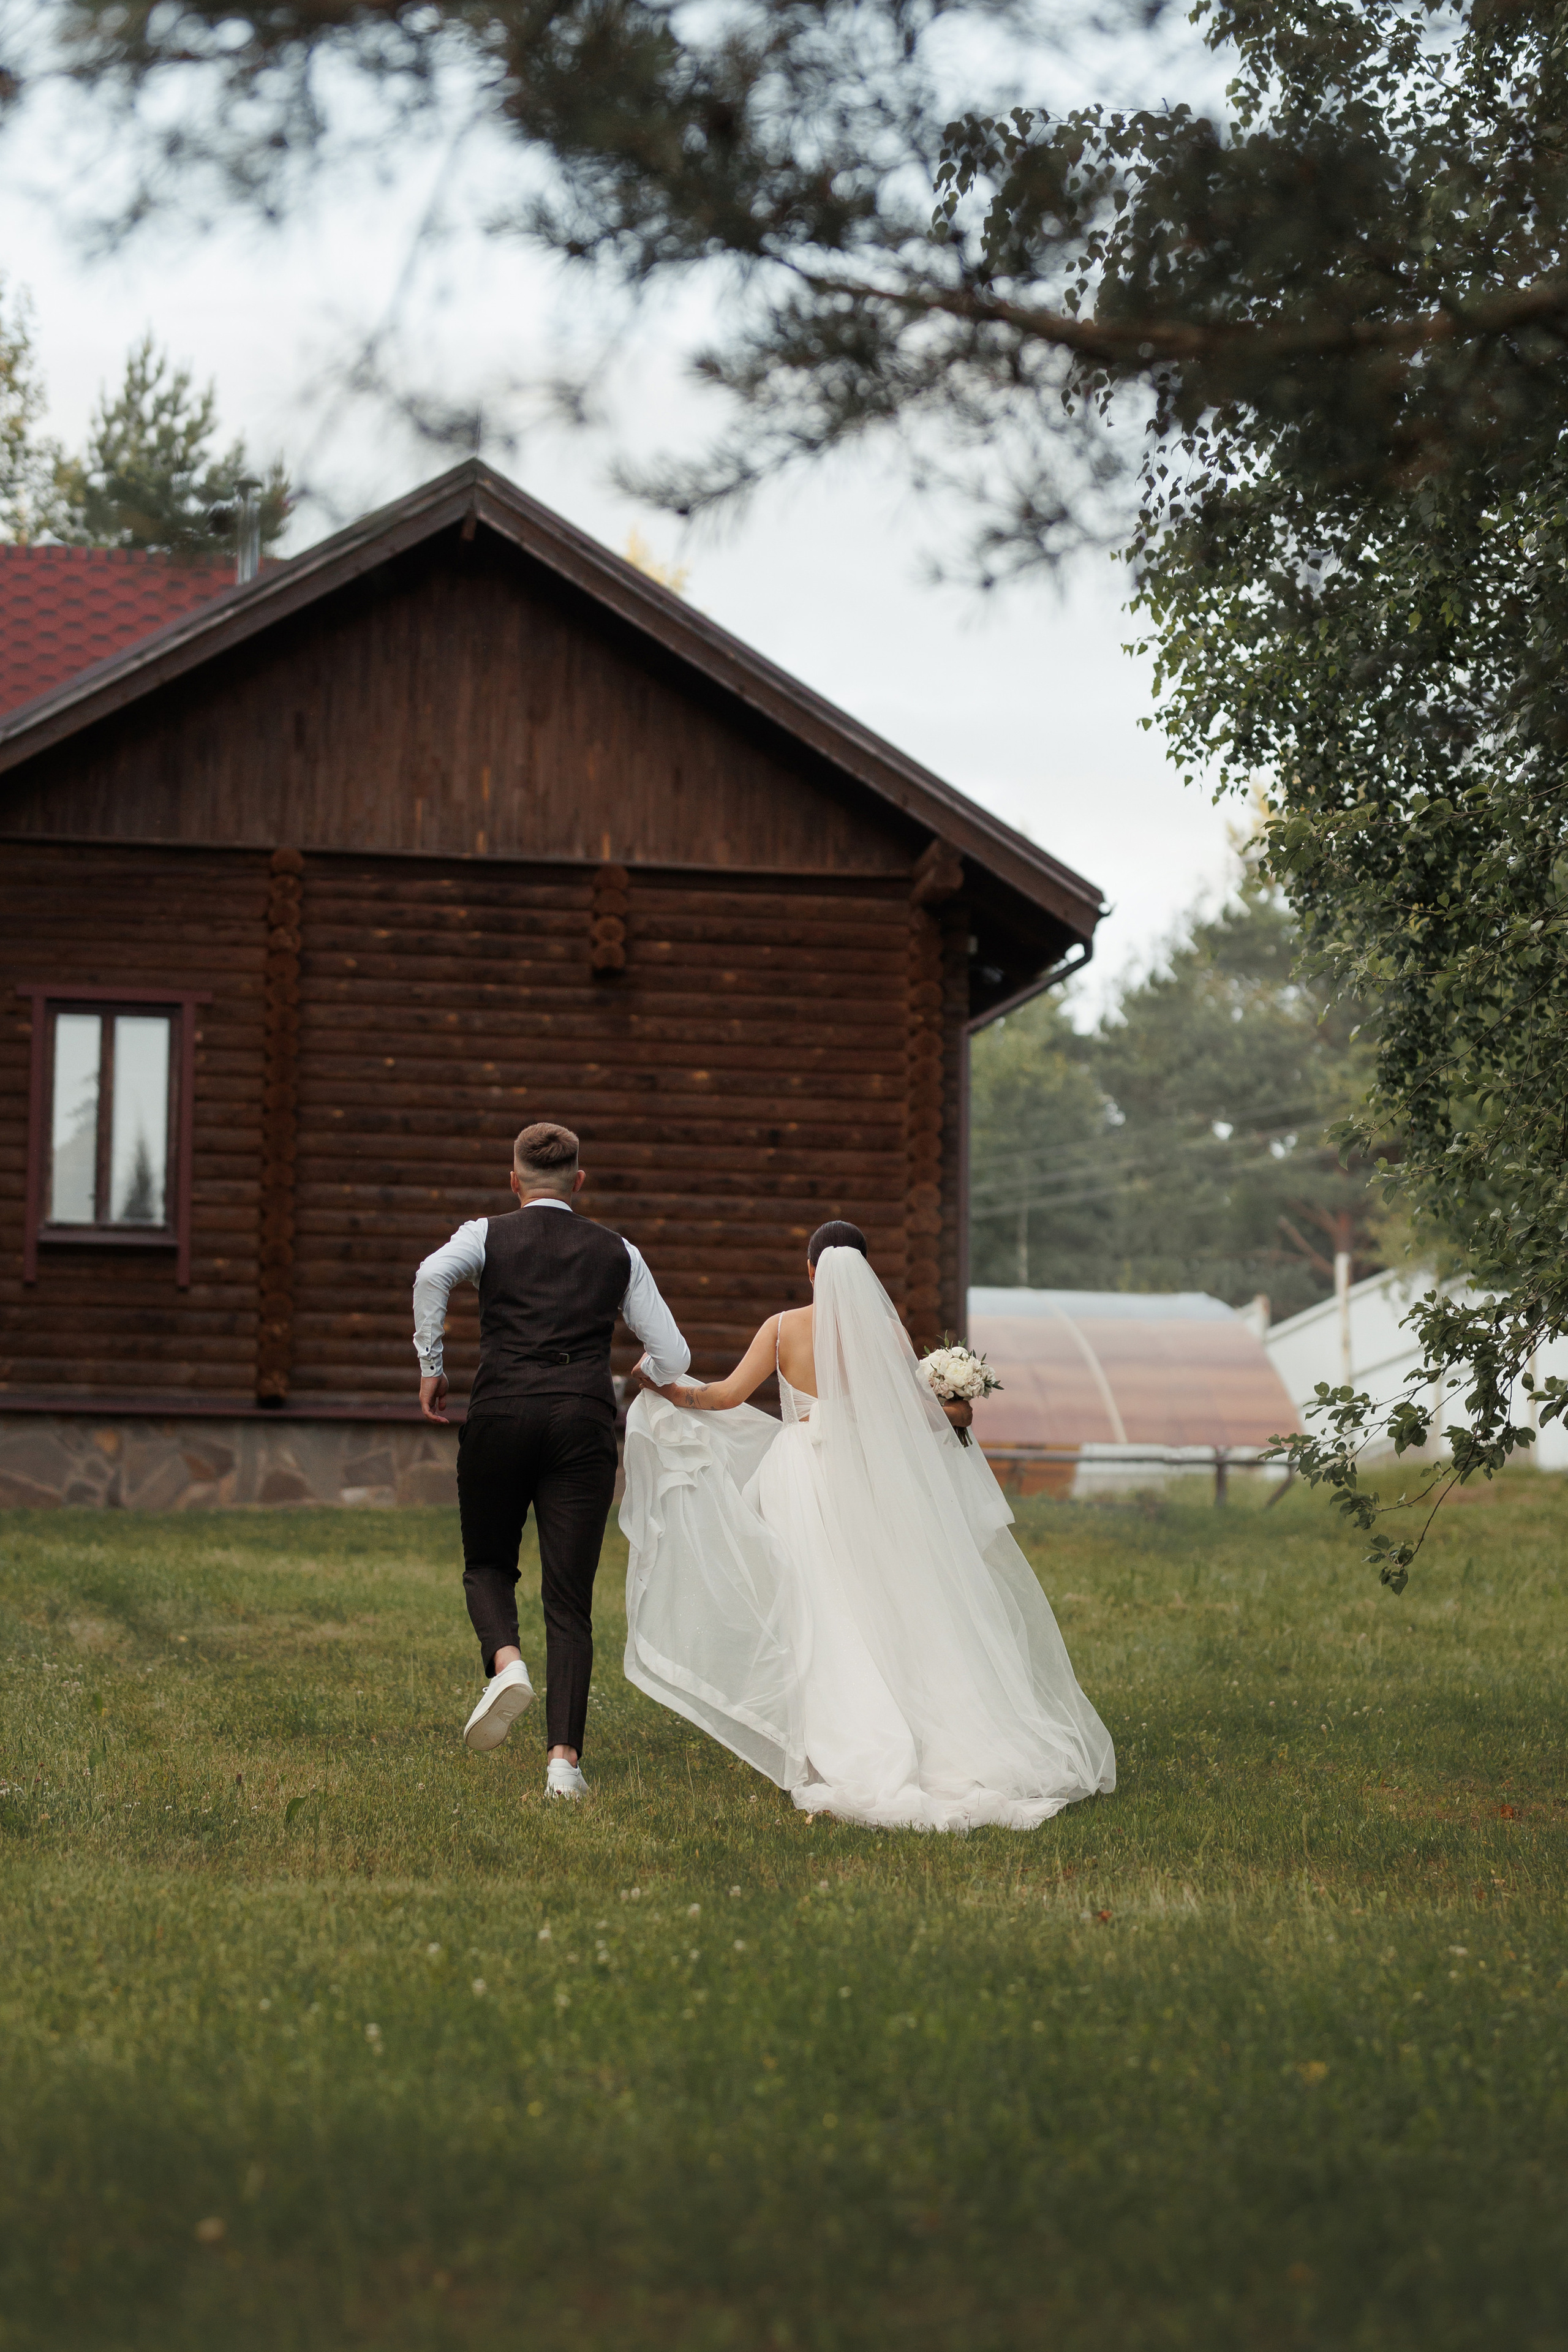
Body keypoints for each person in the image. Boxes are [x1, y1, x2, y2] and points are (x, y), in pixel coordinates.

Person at [622, 1221, 1115, 1831]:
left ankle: (843, 1736)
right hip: (874, 1474)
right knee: (894, 1593)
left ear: (810, 1270)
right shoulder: (883, 1331)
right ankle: (932, 1726)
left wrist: (668, 1390)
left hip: (801, 1477)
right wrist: (955, 1404)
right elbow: (915, 1411)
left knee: (819, 1602)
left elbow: (724, 1399)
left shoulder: (780, 1329)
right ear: (864, 1271)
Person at [413, 1121, 689, 1798]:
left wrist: (432, 1364)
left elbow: (429, 1274)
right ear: (579, 1182)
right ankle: (563, 1764)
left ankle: (506, 1663)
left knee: (487, 1563)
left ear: (514, 1182)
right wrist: (627, 1383)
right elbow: (674, 1355)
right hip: (583, 1425)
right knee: (569, 1600)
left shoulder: (486, 1234)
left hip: (502, 1411)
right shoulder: (617, 1251)